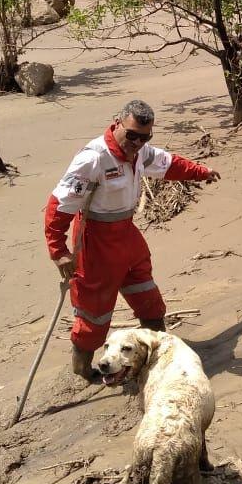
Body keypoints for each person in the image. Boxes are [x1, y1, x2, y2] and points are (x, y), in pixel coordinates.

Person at [44, 100, 220, 381]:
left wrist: (201, 172)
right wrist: (58, 250)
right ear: (118, 124)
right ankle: (83, 370)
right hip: (95, 243)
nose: (137, 143)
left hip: (127, 235)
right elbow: (60, 204)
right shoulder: (93, 159)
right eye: (132, 135)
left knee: (148, 299)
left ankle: (159, 356)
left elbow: (169, 164)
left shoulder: (141, 153)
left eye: (144, 137)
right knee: (94, 316)